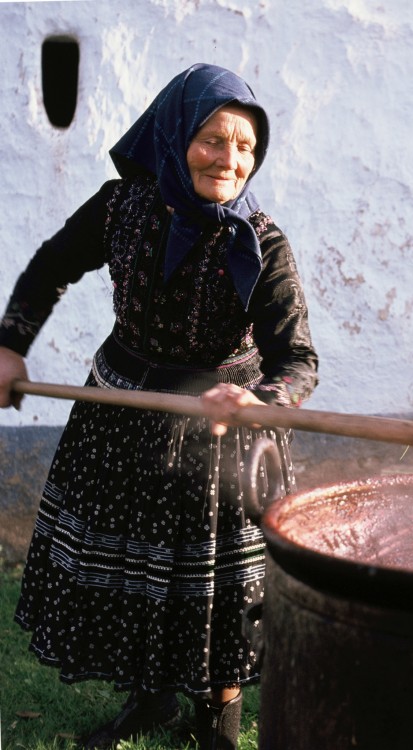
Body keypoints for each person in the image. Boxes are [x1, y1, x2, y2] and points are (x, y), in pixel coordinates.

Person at [0, 63, 318, 749]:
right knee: (132, 572)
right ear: (173, 134)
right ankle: (150, 704)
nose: (228, 159)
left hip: (219, 437)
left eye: (244, 146)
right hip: (118, 416)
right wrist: (9, 345)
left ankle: (217, 727)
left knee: (212, 595)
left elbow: (298, 361)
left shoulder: (260, 244)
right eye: (211, 139)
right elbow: (51, 266)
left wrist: (262, 398)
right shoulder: (120, 207)